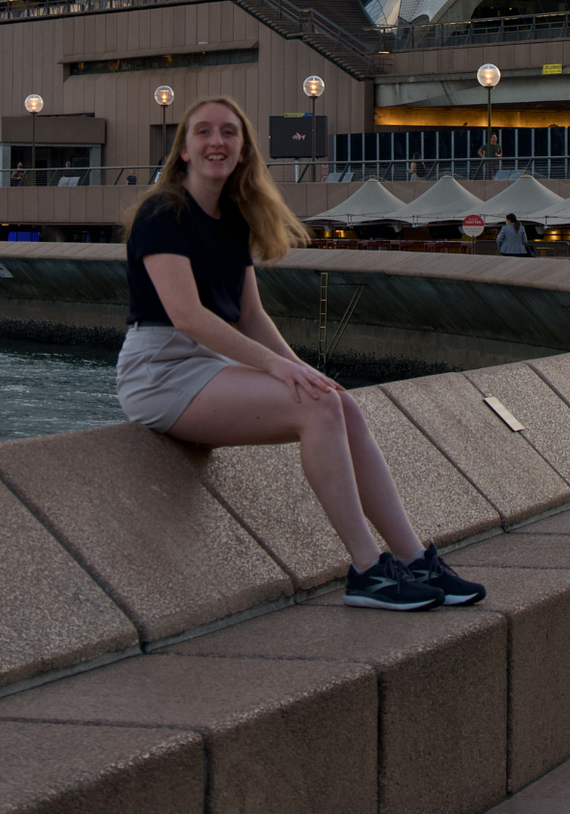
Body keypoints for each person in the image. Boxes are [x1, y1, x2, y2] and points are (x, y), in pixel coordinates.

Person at [119, 96, 480, 612]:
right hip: (160, 369)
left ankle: (415, 558)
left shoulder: (233, 218)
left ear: (244, 151)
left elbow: (250, 316)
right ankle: (367, 570)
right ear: (183, 150)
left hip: (211, 364)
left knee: (339, 402)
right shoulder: (163, 213)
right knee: (316, 407)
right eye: (203, 132)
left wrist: (303, 370)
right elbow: (187, 317)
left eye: (229, 132)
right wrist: (275, 367)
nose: (217, 141)